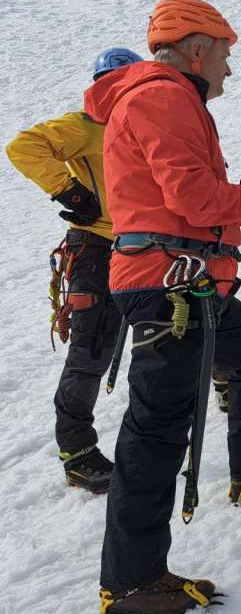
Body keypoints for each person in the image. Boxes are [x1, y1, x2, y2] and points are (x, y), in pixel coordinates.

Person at [83, 0, 241, 614]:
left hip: (182, 281)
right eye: (225, 54)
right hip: (167, 284)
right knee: (159, 425)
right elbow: (191, 197)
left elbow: (182, 194)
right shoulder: (161, 95)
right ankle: (131, 580)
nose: (229, 69)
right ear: (196, 50)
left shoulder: (164, 95)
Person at [5, 47, 143, 494]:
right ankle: (78, 453)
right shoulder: (86, 124)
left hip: (138, 245)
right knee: (91, 348)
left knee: (175, 321)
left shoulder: (141, 126)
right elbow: (23, 146)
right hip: (97, 249)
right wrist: (71, 192)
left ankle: (220, 379)